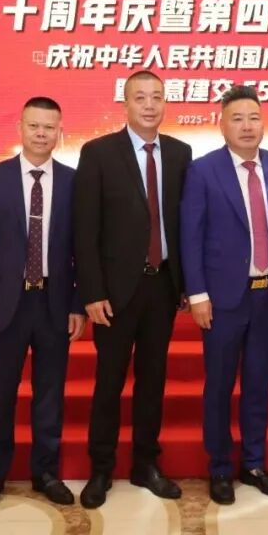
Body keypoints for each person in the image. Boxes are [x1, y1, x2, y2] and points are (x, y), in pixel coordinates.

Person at [74, 70, 192, 508]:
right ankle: (101, 468)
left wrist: (186, 282)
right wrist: (92, 292)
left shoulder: (180, 153)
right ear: (124, 104)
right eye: (140, 97)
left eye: (156, 97)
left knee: (152, 381)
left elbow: (182, 223)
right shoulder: (99, 153)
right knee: (109, 382)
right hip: (114, 293)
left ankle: (146, 464)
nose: (149, 105)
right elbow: (85, 230)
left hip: (162, 286)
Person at [180, 85, 268, 505]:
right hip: (222, 299)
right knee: (219, 385)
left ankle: (254, 463)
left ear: (263, 123)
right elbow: (190, 236)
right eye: (237, 119)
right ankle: (219, 467)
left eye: (254, 118)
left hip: (267, 296)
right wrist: (197, 294)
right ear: (222, 125)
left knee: (258, 382)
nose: (247, 126)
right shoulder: (203, 170)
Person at [0, 97, 86, 510]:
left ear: (59, 132)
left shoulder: (73, 182)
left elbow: (81, 250)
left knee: (50, 394)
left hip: (54, 303)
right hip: (5, 305)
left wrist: (77, 304)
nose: (41, 134)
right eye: (34, 125)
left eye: (49, 127)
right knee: (2, 394)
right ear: (20, 127)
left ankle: (46, 473)